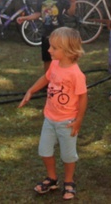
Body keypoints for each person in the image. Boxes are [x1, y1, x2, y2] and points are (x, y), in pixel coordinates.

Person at [19, 27, 88, 201]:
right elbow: (46, 78)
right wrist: (31, 91)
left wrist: (78, 120)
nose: (49, 50)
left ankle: (69, 181)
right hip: (49, 118)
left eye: (54, 48)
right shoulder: (55, 64)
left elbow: (83, 98)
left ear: (68, 51)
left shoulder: (76, 74)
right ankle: (52, 178)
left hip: (67, 121)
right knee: (44, 151)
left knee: (68, 155)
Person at [17, 0, 77, 73]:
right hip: (46, 34)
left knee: (60, 58)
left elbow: (70, 13)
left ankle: (62, 78)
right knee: (47, 59)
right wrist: (25, 18)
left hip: (59, 34)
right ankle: (48, 82)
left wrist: (73, 1)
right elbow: (37, 13)